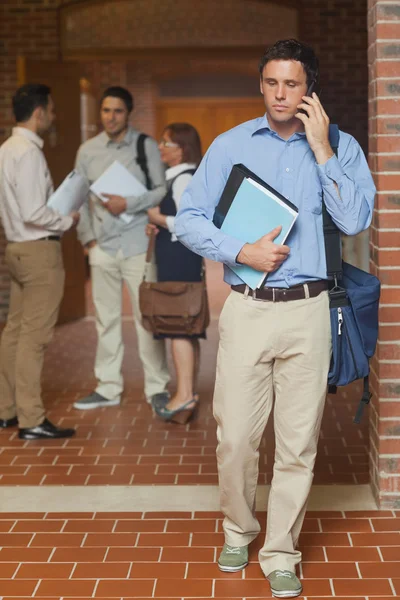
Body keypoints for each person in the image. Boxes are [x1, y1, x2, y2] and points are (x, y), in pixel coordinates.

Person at [175, 39, 375, 598]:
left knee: (297, 442)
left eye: (292, 84)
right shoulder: (230, 145)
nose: (281, 94)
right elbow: (188, 219)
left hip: (311, 311)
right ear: (260, 84)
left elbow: (356, 218)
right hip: (249, 309)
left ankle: (281, 549)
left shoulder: (339, 146)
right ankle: (238, 528)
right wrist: (241, 251)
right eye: (271, 83)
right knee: (235, 438)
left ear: (308, 88)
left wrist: (322, 150)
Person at [74, 86, 170, 410]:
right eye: (105, 110)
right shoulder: (87, 150)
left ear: (127, 114)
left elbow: (161, 190)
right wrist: (87, 240)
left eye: (117, 111)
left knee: (147, 318)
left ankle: (157, 387)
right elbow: (79, 197)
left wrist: (127, 202)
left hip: (138, 245)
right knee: (106, 320)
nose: (110, 117)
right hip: (102, 245)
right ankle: (108, 387)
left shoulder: (144, 146)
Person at [0, 84, 80, 440]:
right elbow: (34, 211)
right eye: (51, 109)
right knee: (34, 338)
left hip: (15, 248)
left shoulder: (5, 149)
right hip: (38, 251)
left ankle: (7, 411)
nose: (53, 116)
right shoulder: (29, 153)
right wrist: (68, 221)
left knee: (14, 333)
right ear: (38, 113)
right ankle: (32, 419)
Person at [146, 123, 205, 424]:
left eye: (166, 142)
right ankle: (187, 392)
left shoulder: (183, 179)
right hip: (180, 260)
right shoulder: (183, 178)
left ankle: (184, 396)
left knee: (179, 327)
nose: (160, 147)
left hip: (179, 262)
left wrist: (159, 217)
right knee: (185, 326)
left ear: (182, 148)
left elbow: (188, 224)